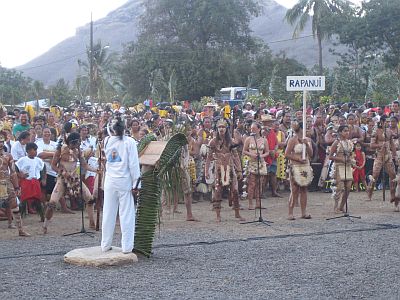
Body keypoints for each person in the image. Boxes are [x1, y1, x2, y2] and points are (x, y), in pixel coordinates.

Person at [43, 132, 98, 234]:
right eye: (78, 142)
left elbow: (85, 165)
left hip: (75, 179)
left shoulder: (78, 151)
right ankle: (45, 225)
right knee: (52, 203)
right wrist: (63, 172)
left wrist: (96, 170)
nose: (79, 144)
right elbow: (53, 165)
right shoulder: (60, 149)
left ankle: (92, 222)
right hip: (62, 179)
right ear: (74, 142)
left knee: (90, 199)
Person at [101, 117, 140, 254]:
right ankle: (127, 247)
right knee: (126, 214)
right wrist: (137, 185)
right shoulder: (130, 142)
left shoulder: (106, 141)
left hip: (110, 181)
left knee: (108, 213)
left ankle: (105, 245)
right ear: (125, 129)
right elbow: (134, 165)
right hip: (124, 181)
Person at [205, 119, 244, 222]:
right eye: (219, 127)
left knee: (235, 191)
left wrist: (239, 170)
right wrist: (206, 171)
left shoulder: (230, 141)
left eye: (223, 127)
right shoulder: (213, 141)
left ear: (226, 129)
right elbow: (208, 158)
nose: (221, 129)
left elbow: (236, 156)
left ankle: (237, 213)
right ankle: (218, 215)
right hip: (219, 169)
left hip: (230, 169)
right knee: (218, 191)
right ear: (217, 129)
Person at [0, 133, 30, 236]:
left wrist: (16, 186)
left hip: (6, 182)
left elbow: (13, 172)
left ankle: (20, 229)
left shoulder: (8, 156)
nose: (0, 144)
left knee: (14, 204)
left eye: (1, 142)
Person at [285, 122, 313, 220]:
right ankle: (290, 212)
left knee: (304, 189)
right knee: (294, 190)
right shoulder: (293, 140)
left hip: (305, 165)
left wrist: (307, 145)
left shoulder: (308, 139)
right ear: (300, 128)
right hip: (295, 166)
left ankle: (303, 212)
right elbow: (287, 154)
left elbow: (311, 154)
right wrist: (298, 159)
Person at [242, 122, 269, 210]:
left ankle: (258, 202)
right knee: (251, 183)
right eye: (251, 129)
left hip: (261, 163)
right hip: (252, 162)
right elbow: (244, 151)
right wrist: (251, 154)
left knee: (260, 184)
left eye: (254, 128)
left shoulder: (264, 140)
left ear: (259, 129)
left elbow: (267, 152)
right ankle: (250, 203)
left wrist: (261, 156)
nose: (252, 130)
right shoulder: (248, 139)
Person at [16, 142, 45, 219]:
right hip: (26, 181)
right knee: (23, 199)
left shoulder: (38, 160)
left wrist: (44, 178)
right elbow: (15, 167)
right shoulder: (23, 159)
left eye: (36, 150)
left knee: (38, 199)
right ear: (28, 150)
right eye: (34, 150)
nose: (36, 151)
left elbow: (43, 167)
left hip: (35, 181)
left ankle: (42, 215)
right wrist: (20, 175)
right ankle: (21, 216)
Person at [329, 125, 355, 213]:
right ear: (340, 132)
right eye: (345, 131)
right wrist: (341, 159)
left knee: (348, 188)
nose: (347, 132)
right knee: (339, 188)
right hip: (339, 166)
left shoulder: (349, 142)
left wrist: (351, 159)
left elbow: (351, 154)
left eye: (348, 131)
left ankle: (341, 206)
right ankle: (335, 207)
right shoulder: (336, 142)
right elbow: (330, 156)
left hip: (347, 166)